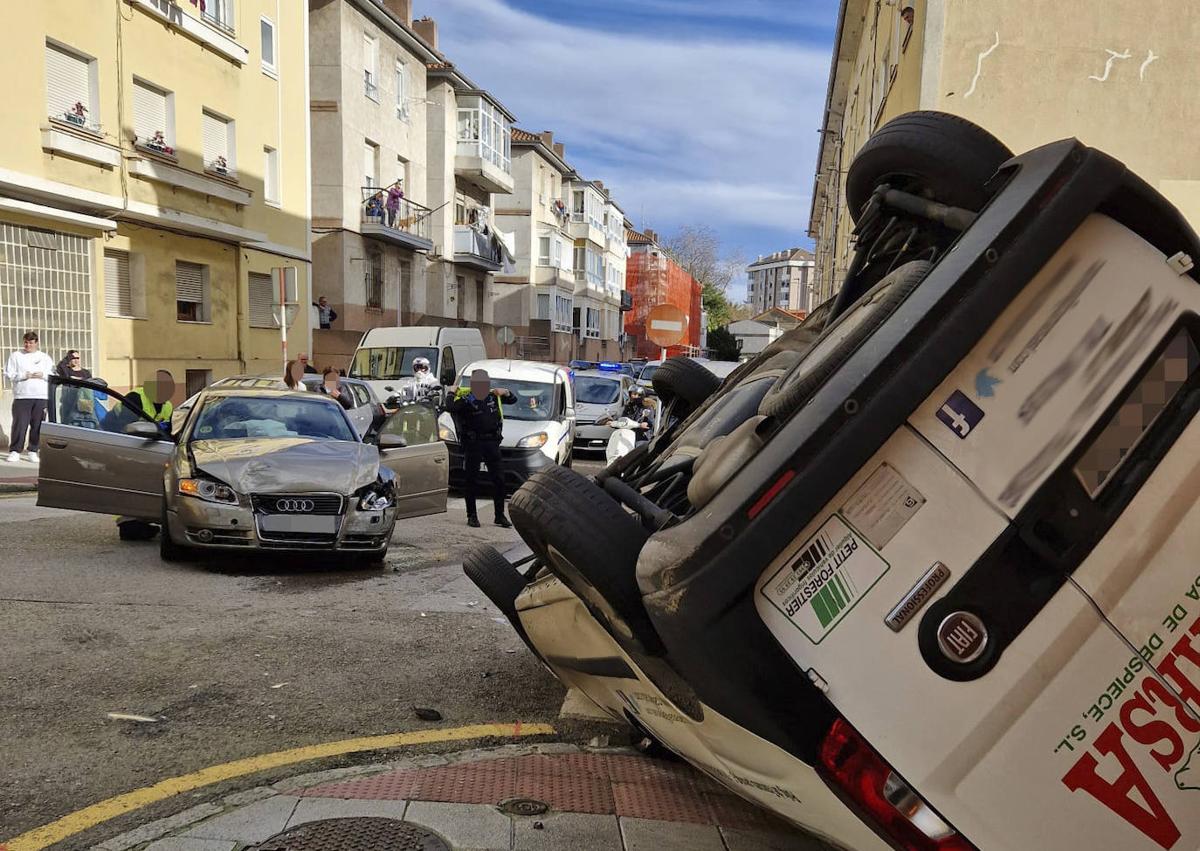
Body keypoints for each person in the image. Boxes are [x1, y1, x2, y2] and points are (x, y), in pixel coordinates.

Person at [447, 369, 516, 528]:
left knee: (499, 480)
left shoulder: (493, 396)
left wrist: (505, 392)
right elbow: (450, 406)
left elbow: (513, 400)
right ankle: (472, 516)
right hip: (474, 443)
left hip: (492, 442)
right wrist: (451, 392)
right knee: (471, 480)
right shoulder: (467, 398)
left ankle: (499, 515)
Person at [117, 370, 175, 541]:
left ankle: (143, 519)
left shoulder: (168, 405)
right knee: (129, 484)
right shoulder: (135, 398)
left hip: (147, 447)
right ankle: (127, 522)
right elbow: (123, 426)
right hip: (122, 445)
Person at [4, 330, 55, 463]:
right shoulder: (16, 356)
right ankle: (15, 450)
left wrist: (42, 375)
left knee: (37, 424)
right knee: (20, 424)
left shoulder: (45, 357)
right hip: (22, 396)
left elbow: (52, 375)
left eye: (31, 343)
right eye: (26, 342)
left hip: (41, 396)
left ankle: (33, 450)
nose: (28, 345)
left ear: (36, 343)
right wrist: (23, 376)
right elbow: (9, 373)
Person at [56, 350, 100, 429]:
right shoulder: (67, 371)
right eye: (73, 358)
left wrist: (78, 379)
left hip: (83, 403)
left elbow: (90, 385)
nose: (76, 360)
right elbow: (60, 366)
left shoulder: (86, 372)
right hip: (68, 403)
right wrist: (67, 358)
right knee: (66, 425)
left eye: (77, 358)